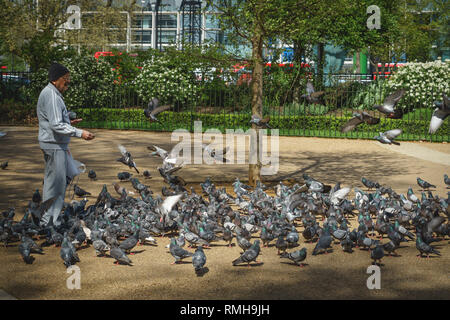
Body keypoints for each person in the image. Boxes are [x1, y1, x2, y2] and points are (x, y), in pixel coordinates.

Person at [37, 62, 95, 228]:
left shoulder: (51, 93)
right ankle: (51, 222)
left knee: (57, 180)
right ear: (56, 79)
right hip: (54, 144)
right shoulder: (52, 96)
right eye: (66, 81)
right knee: (56, 184)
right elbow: (56, 125)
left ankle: (47, 219)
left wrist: (67, 122)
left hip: (55, 143)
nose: (67, 85)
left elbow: (54, 121)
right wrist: (79, 132)